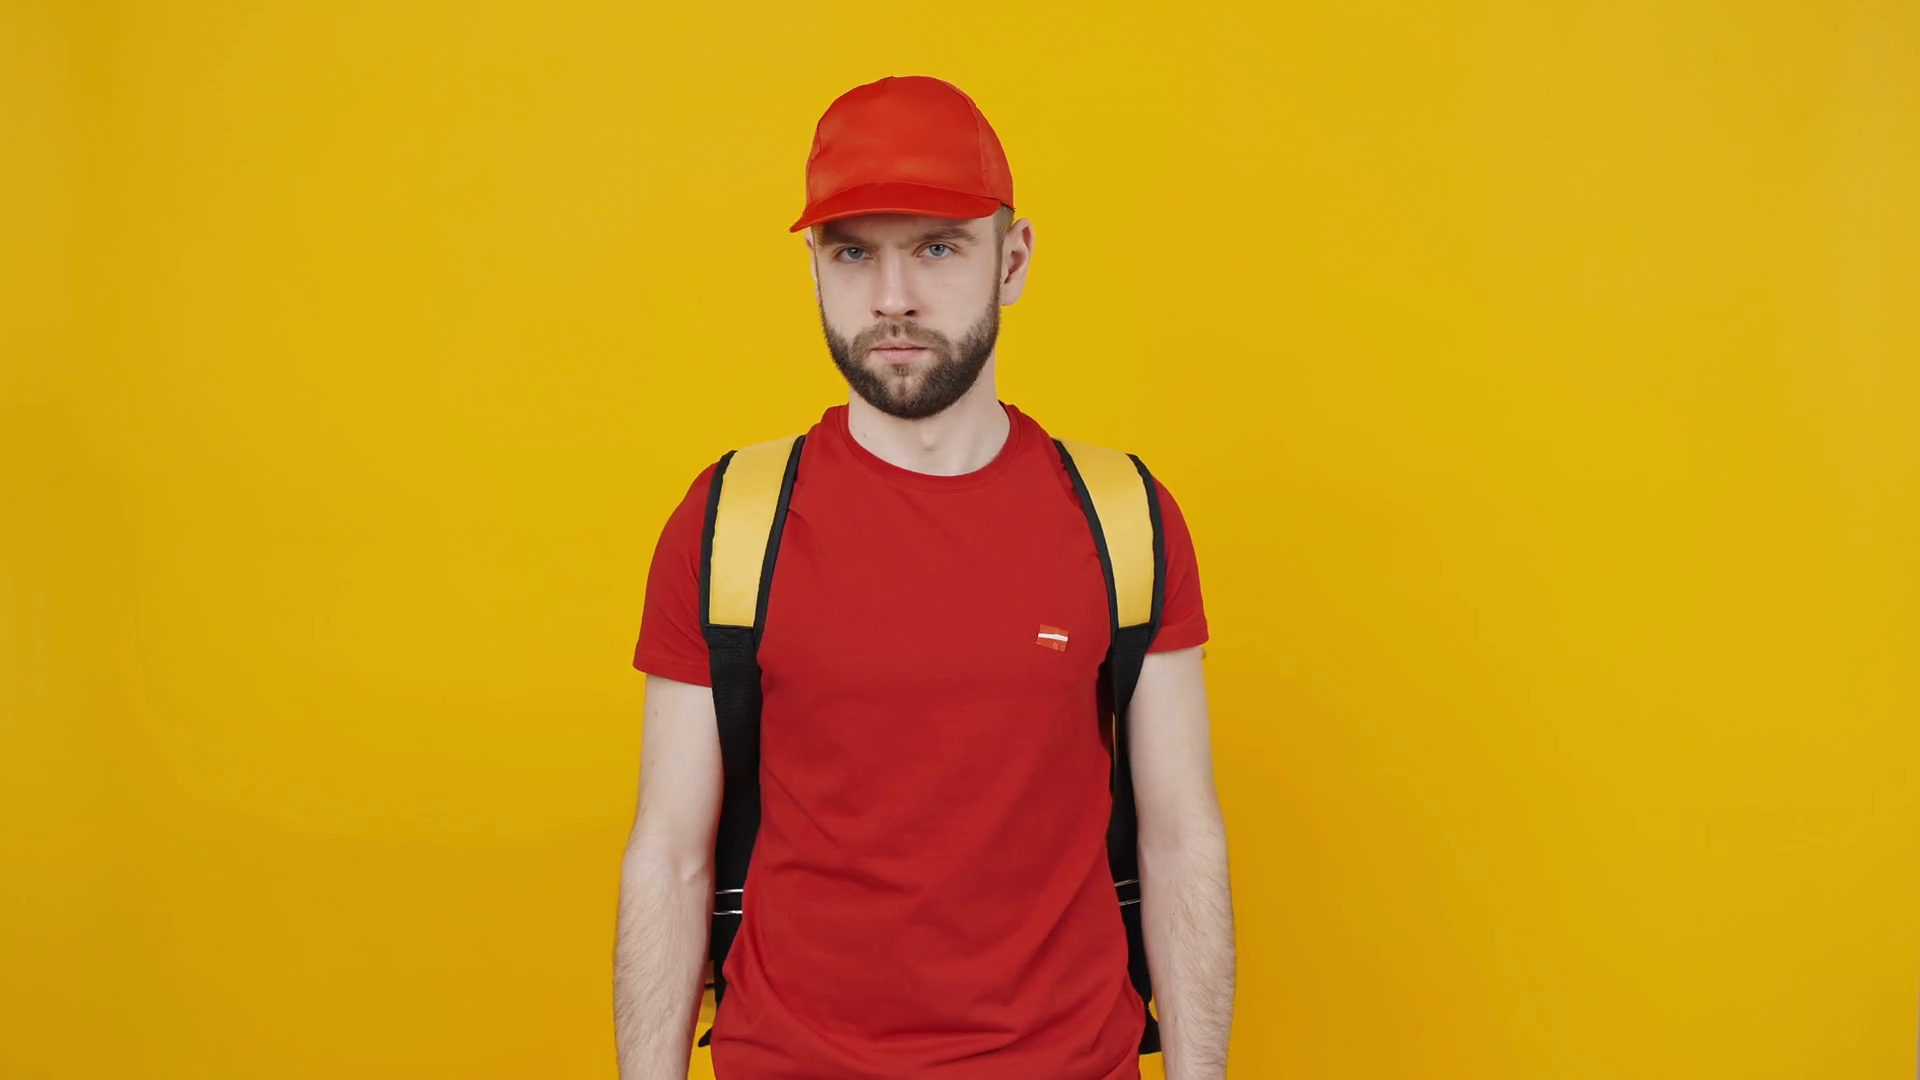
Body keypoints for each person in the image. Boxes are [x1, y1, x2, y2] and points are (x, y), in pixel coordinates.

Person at [613, 74, 1234, 1080]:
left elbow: (1180, 837)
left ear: (1013, 260)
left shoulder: (1125, 516)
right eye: (853, 252)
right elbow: (671, 854)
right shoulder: (730, 521)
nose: (892, 297)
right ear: (815, 269)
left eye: (937, 248)